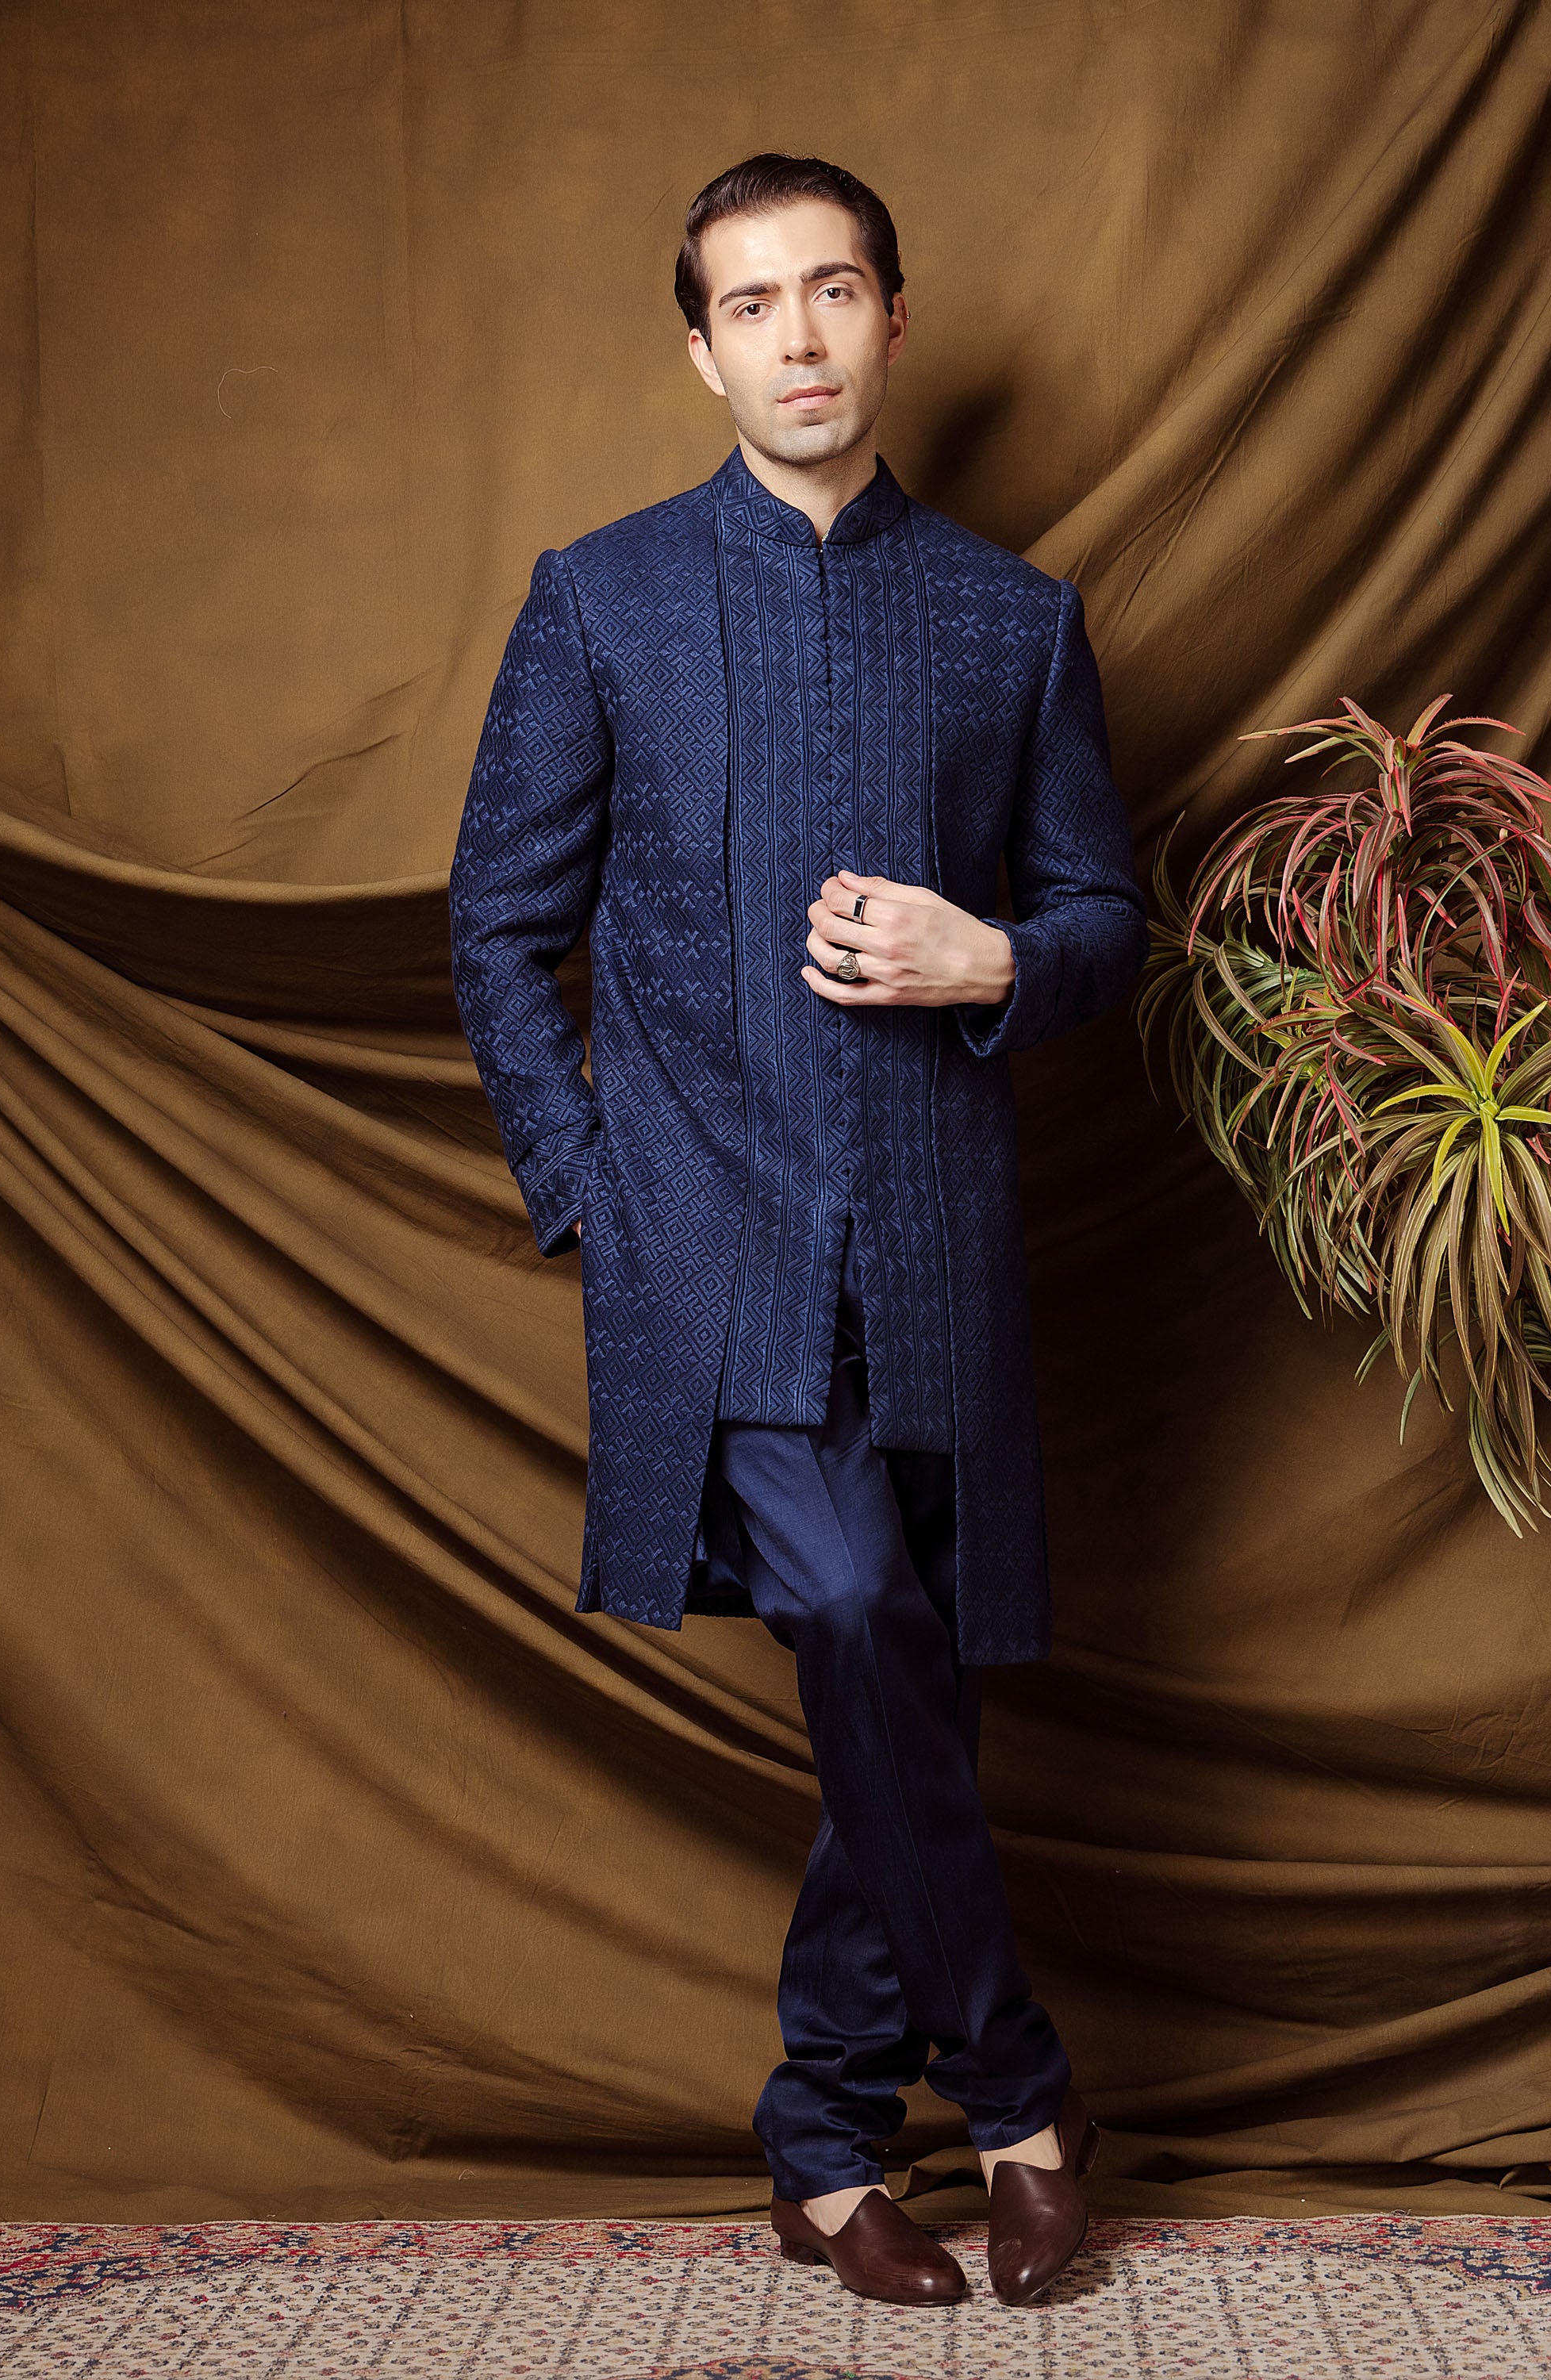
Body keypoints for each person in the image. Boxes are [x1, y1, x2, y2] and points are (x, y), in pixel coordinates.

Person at [449, 152, 1147, 2308]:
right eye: (752, 305)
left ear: (892, 319)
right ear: (703, 350)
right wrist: (595, 1189)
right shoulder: (603, 599)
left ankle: (829, 2145)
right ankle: (1020, 2094)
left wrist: (992, 958)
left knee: (899, 1679)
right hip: (713, 1246)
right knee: (852, 1611)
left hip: (935, 1240)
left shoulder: (1015, 619)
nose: (801, 337)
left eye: (834, 291)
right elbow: (497, 924)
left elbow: (1106, 920)